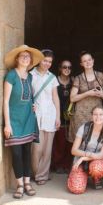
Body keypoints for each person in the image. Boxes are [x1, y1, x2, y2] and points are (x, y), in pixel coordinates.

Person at [3, 44, 44, 199]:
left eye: (28, 57)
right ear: (17, 59)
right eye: (23, 56)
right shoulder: (11, 76)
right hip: (14, 120)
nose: (26, 59)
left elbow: (29, 96)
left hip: (28, 118)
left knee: (27, 151)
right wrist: (7, 123)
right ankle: (19, 184)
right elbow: (6, 101)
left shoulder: (31, 76)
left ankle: (27, 183)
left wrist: (32, 104)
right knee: (16, 153)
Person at [31, 49, 60, 185]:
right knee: (37, 147)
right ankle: (35, 172)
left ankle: (42, 176)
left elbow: (55, 97)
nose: (47, 63)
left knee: (47, 149)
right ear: (39, 60)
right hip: (36, 115)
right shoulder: (31, 75)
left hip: (50, 115)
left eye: (50, 61)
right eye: (45, 60)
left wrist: (58, 117)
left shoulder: (52, 77)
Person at [68, 106, 103, 193]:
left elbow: (101, 155)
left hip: (96, 160)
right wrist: (83, 157)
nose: (98, 117)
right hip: (80, 160)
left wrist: (83, 158)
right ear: (92, 116)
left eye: (101, 114)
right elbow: (73, 150)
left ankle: (96, 178)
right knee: (77, 189)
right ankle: (78, 175)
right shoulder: (84, 128)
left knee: (97, 169)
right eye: (95, 114)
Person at [68, 52, 103, 143]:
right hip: (80, 115)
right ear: (81, 64)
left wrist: (102, 94)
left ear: (93, 60)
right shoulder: (79, 78)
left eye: (89, 60)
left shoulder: (100, 76)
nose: (88, 62)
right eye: (84, 61)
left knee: (95, 141)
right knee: (80, 141)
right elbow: (72, 98)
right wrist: (88, 93)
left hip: (97, 115)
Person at [51, 59, 73, 173]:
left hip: (70, 115)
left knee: (69, 141)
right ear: (60, 68)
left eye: (69, 67)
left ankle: (67, 165)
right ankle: (57, 165)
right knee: (59, 141)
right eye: (64, 67)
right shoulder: (54, 81)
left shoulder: (73, 81)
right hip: (57, 114)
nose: (67, 69)